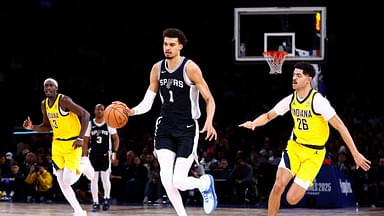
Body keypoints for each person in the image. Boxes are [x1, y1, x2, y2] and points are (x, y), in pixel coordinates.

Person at [239, 62, 371, 216]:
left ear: (308, 79)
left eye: (298, 75)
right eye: (293, 74)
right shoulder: (291, 99)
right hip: (295, 148)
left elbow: (340, 126)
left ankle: (306, 179)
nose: (294, 78)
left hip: (314, 155)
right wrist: (254, 122)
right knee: (278, 186)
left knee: (292, 199)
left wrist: (355, 153)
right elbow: (269, 115)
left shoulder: (318, 101)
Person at [115, 27, 218, 215]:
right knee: (165, 176)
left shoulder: (190, 68)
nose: (167, 48)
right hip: (164, 127)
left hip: (187, 128)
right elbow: (149, 100)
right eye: (165, 44)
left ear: (180, 47)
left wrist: (209, 120)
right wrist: (132, 111)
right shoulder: (157, 68)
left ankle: (204, 183)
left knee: (179, 180)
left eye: (172, 44)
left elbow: (209, 99)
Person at [23, 78, 95, 216]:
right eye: (46, 86)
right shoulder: (44, 104)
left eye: (51, 85)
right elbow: (47, 127)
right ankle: (79, 211)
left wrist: (80, 138)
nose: (48, 87)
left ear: (56, 88)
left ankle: (84, 164)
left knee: (67, 179)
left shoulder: (64, 100)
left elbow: (86, 114)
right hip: (57, 144)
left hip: (73, 143)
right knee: (62, 182)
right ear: (44, 89)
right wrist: (32, 127)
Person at [83, 104, 120, 212]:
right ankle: (95, 202)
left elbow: (116, 139)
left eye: (101, 109)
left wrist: (114, 153)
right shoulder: (90, 124)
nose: (99, 111)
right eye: (98, 109)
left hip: (105, 155)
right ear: (94, 111)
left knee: (105, 178)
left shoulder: (109, 124)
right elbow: (85, 141)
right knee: (93, 179)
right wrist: (84, 156)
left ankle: (107, 198)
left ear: (104, 111)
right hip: (93, 155)